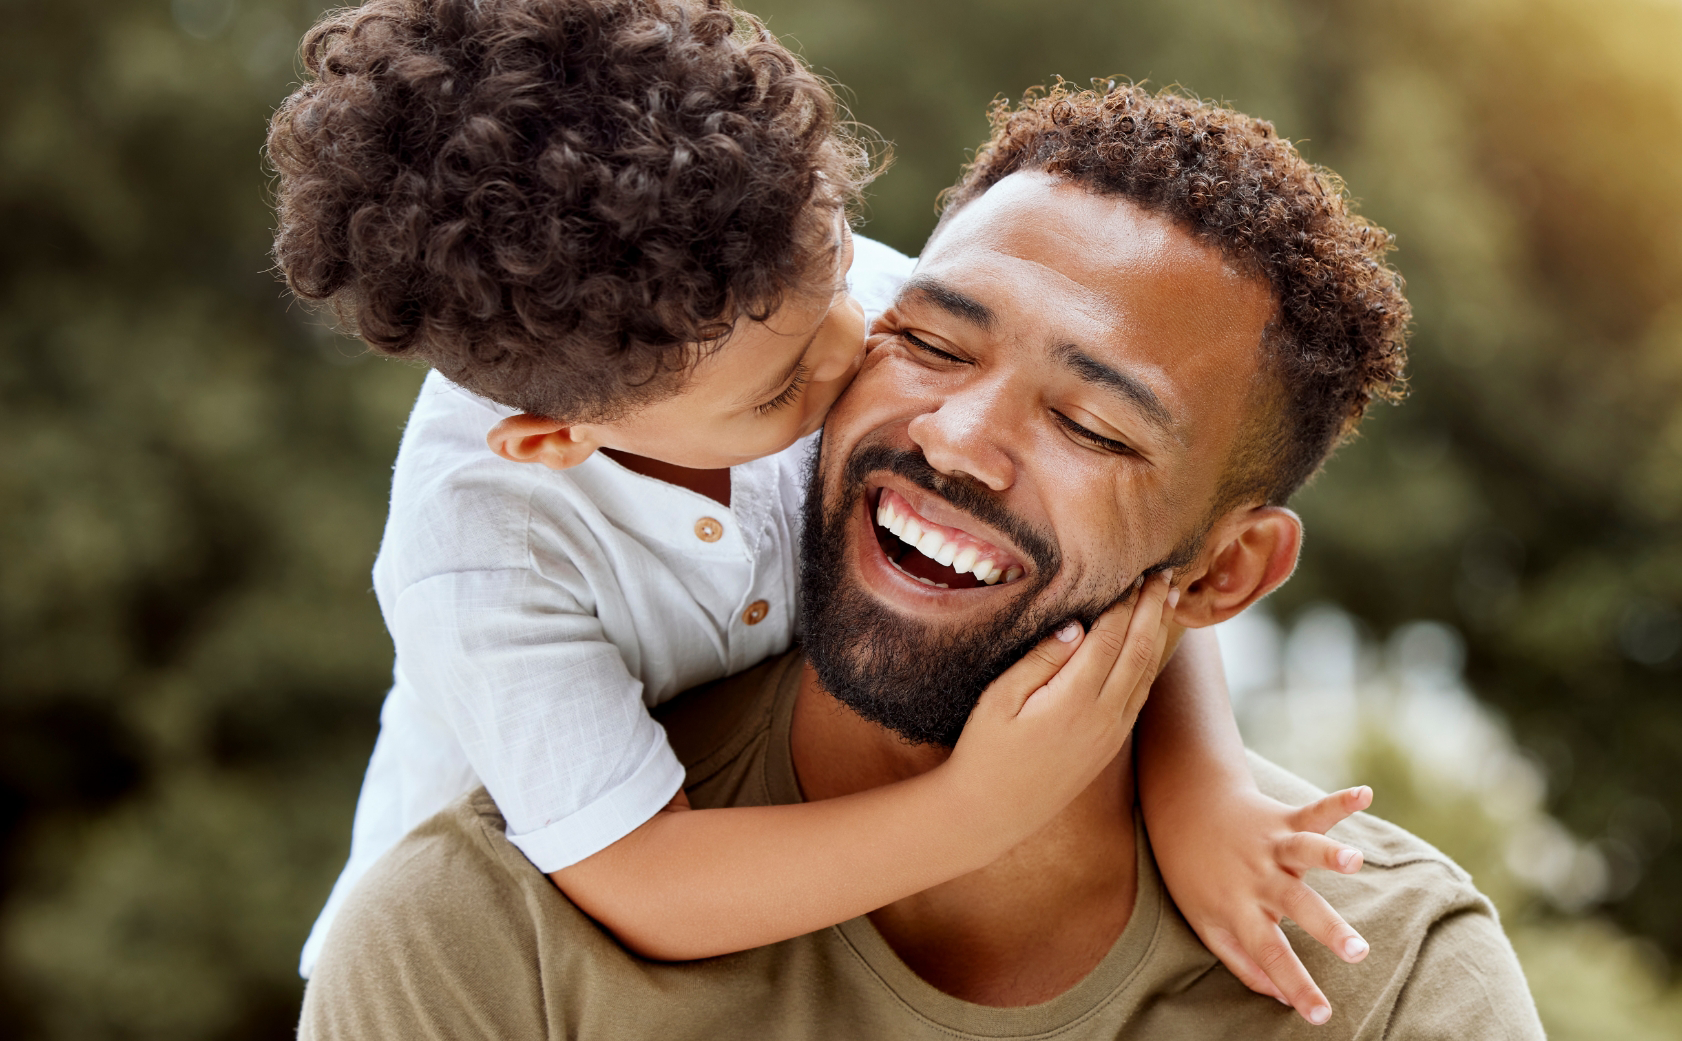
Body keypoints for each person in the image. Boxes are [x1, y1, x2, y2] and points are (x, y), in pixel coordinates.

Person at [299, 83, 1547, 1040]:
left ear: (1226, 575)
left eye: (1094, 425)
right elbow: (637, 877)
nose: (955, 436)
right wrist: (979, 808)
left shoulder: (1385, 974)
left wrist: (1200, 782)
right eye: (936, 349)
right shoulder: (470, 935)